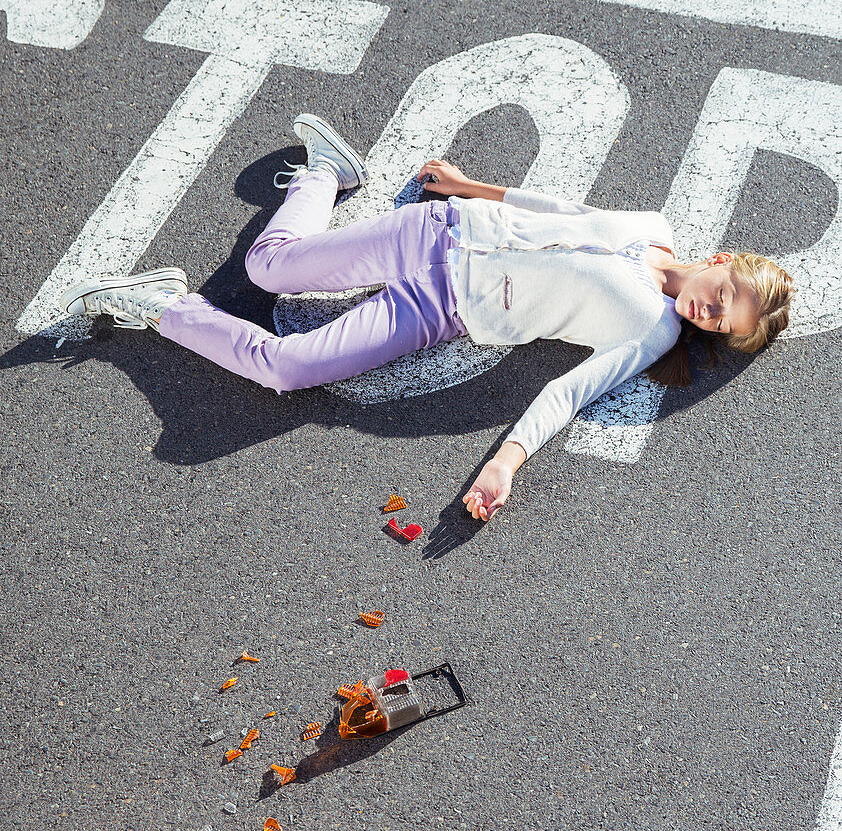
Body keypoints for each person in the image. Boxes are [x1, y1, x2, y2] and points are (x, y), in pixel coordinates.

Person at [60, 115, 794, 523]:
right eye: (730, 293)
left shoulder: (652, 330)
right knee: (266, 268)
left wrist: (506, 465)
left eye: (727, 324)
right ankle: (327, 171)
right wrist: (467, 185)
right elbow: (562, 211)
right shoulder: (654, 226)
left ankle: (163, 305)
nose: (716, 312)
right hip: (439, 231)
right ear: (723, 258)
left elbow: (569, 393)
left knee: (289, 368)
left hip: (440, 306)